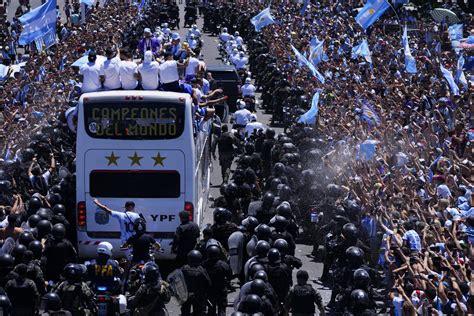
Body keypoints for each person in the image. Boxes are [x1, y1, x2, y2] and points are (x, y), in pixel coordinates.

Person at [202, 245, 232, 316]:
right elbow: (230, 276)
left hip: (209, 291)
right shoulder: (223, 265)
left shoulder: (204, 264)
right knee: (222, 309)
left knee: (211, 310)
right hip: (221, 290)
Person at [181, 250, 211, 316]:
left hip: (186, 295)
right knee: (198, 312)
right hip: (199, 295)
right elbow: (208, 282)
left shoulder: (184, 268)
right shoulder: (201, 270)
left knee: (185, 312)